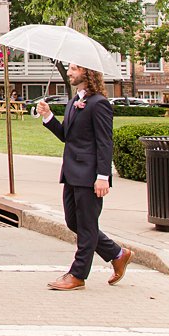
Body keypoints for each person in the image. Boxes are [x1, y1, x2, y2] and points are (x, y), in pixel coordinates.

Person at [35, 63, 133, 291]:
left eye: (74, 68)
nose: (69, 72)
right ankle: (117, 254)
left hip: (89, 175)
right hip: (71, 173)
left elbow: (105, 142)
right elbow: (66, 136)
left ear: (88, 72)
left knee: (87, 227)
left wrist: (102, 176)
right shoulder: (74, 101)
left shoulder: (99, 104)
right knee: (73, 222)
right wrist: (48, 116)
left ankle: (78, 275)